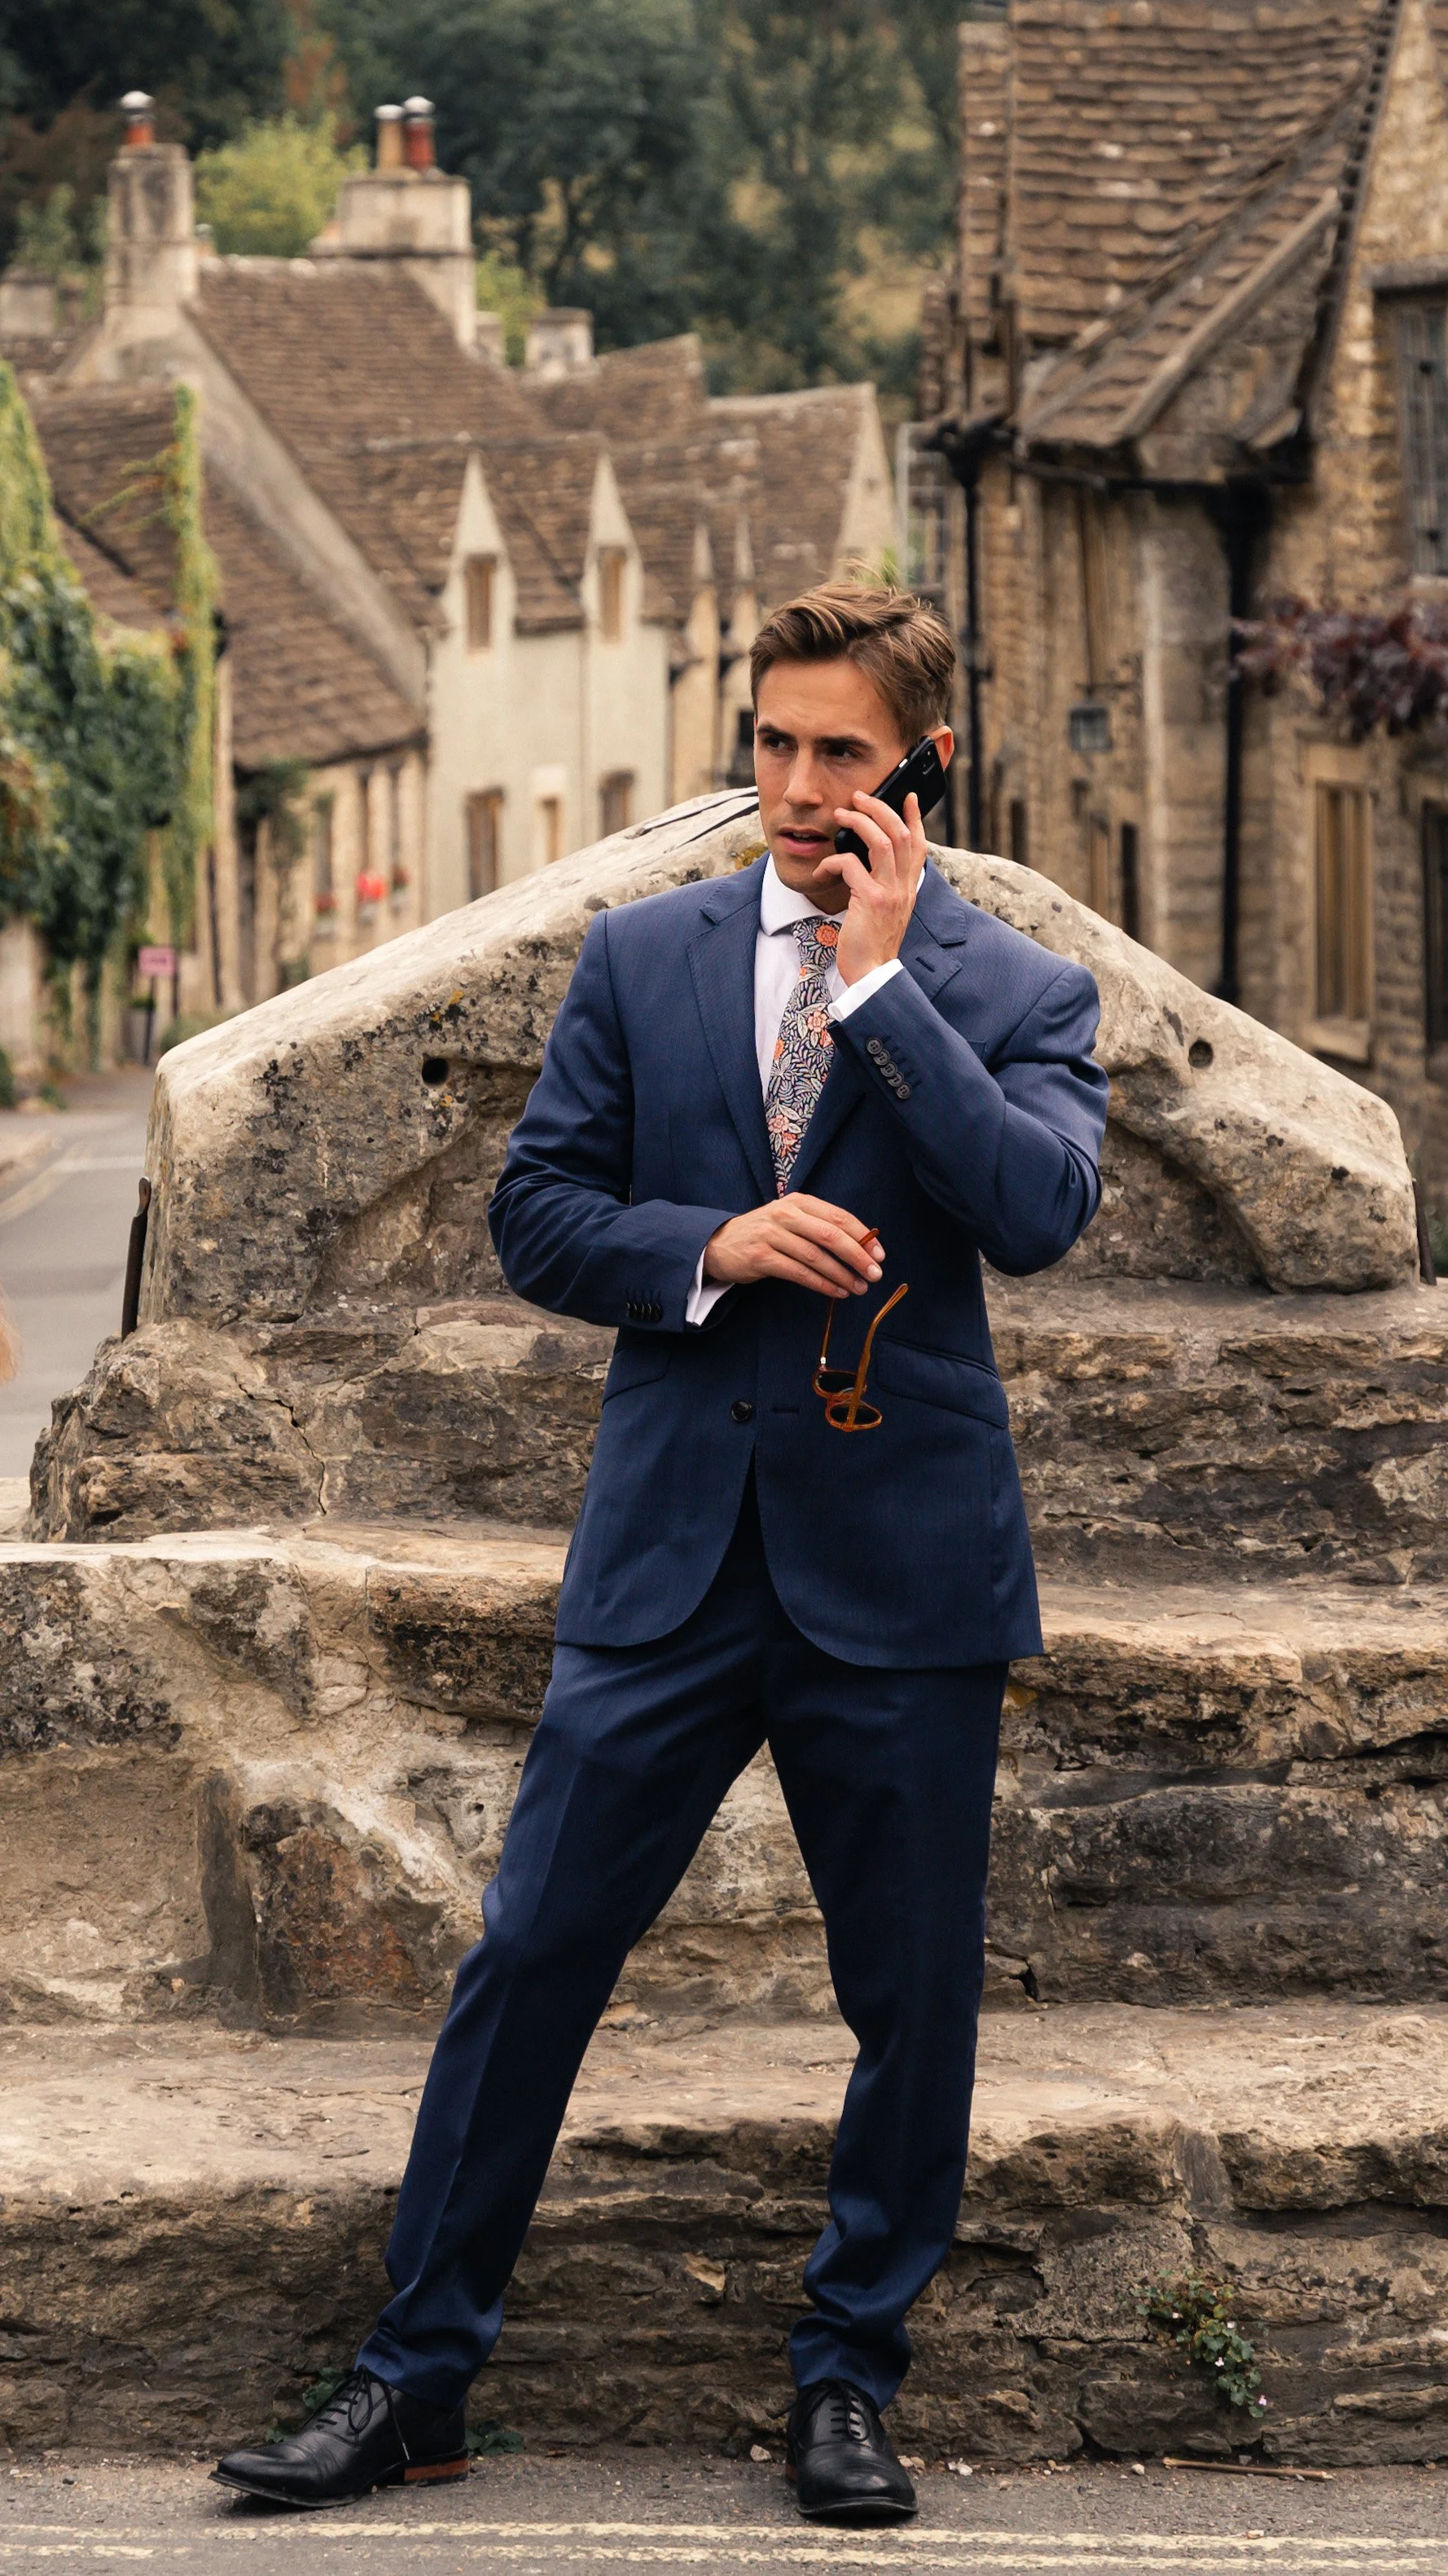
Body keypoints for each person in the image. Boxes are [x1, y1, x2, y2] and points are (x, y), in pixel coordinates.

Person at [213, 583, 1108, 2523]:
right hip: (671, 1557)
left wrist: (882, 992)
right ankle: (413, 2377)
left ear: (920, 768)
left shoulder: (1014, 991)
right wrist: (705, 1246)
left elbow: (1036, 1211)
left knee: (912, 2000)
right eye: (772, 745)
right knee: (531, 1954)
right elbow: (538, 1213)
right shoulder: (644, 957)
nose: (793, 788)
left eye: (839, 755)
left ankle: (847, 2380)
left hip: (905, 1568)